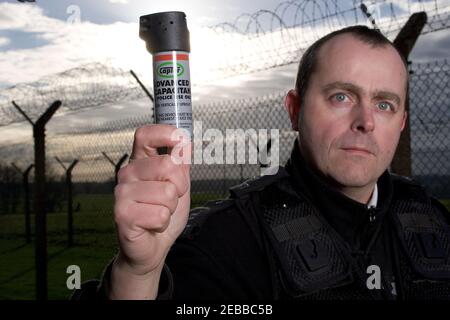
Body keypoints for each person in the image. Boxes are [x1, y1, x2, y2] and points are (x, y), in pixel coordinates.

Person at [72, 25, 450, 300]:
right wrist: (137, 275)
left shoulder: (434, 223)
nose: (366, 121)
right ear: (294, 109)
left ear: (400, 123)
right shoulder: (224, 242)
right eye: (341, 97)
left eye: (384, 104)